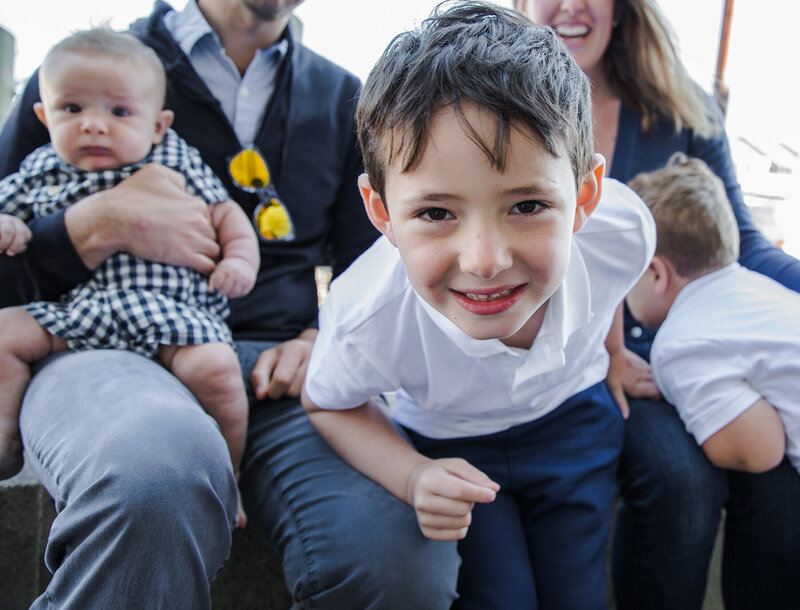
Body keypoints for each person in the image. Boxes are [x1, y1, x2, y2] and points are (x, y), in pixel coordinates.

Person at [0, 1, 459, 608]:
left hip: (278, 375)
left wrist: (321, 338)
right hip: (102, 343)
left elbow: (376, 263)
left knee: (398, 556)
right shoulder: (86, 71)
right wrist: (89, 228)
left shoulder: (344, 94)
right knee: (152, 483)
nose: (95, 119)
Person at [300, 2, 656, 607]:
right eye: (436, 213)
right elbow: (328, 403)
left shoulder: (622, 230)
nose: (485, 259)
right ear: (383, 212)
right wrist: (412, 475)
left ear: (584, 197)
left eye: (527, 206)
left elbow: (611, 284)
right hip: (453, 449)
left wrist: (615, 352)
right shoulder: (368, 318)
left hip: (575, 421)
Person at [514, 1, 800, 608]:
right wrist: (604, 350)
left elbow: (741, 245)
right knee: (679, 477)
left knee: (776, 483)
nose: (568, 6)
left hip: (678, 352)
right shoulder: (503, 112)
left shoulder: (680, 111)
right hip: (570, 363)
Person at [0, 31, 259, 534]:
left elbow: (226, 213)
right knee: (5, 331)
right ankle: (5, 444)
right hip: (79, 313)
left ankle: (228, 479)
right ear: (43, 117)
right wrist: (7, 225)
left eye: (119, 113)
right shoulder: (39, 169)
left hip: (170, 315)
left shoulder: (174, 159)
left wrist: (240, 262)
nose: (93, 125)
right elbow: (7, 208)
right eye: (72, 108)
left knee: (219, 371)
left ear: (159, 125)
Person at [625, 153, 800, 475]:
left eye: (625, 275)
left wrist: (677, 390)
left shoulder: (681, 345)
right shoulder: (763, 290)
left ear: (655, 273)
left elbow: (759, 451)